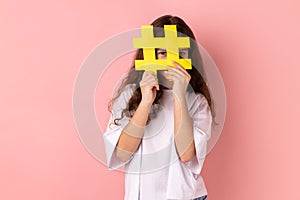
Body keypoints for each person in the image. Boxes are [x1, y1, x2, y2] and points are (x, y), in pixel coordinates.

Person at [103, 15, 215, 200]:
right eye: (163, 52)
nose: (173, 60)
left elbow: (187, 155)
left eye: (181, 53)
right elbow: (121, 153)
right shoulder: (130, 93)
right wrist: (145, 101)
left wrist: (179, 94)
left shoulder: (198, 101)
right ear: (150, 54)